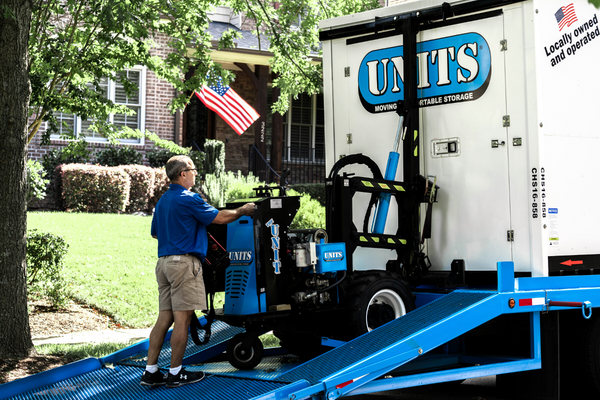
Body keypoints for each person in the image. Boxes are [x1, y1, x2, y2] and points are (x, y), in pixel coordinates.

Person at [141, 155, 255, 388]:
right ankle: (175, 373)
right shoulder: (188, 198)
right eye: (192, 170)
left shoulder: (163, 201)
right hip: (184, 265)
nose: (195, 174)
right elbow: (220, 218)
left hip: (163, 264)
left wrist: (181, 230)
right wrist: (243, 210)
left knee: (164, 318)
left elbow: (155, 233)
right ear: (182, 174)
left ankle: (150, 371)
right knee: (182, 320)